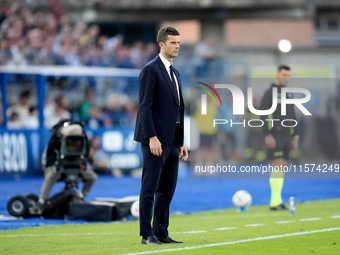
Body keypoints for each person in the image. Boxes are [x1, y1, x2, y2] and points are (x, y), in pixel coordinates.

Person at [134, 26, 188, 245]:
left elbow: (178, 109)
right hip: (155, 140)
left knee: (167, 189)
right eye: (173, 43)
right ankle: (147, 234)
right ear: (161, 44)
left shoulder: (175, 72)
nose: (177, 46)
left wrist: (181, 142)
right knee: (149, 188)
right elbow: (144, 107)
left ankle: (161, 233)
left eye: (178, 43)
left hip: (173, 141)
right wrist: (152, 137)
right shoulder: (150, 69)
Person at [259, 65, 299, 210]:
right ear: (277, 75)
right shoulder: (270, 93)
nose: (286, 78)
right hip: (275, 133)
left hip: (287, 135)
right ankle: (274, 201)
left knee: (282, 167)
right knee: (277, 166)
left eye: (288, 75)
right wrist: (268, 134)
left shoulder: (289, 94)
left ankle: (278, 200)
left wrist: (295, 136)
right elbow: (263, 115)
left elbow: (293, 116)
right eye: (284, 75)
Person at [38, 120, 98, 207]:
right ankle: (42, 200)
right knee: (50, 176)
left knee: (92, 177)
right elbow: (48, 158)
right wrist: (51, 168)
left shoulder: (83, 139)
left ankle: (80, 196)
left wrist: (88, 160)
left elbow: (86, 157)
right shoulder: (57, 140)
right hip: (59, 167)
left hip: (77, 167)